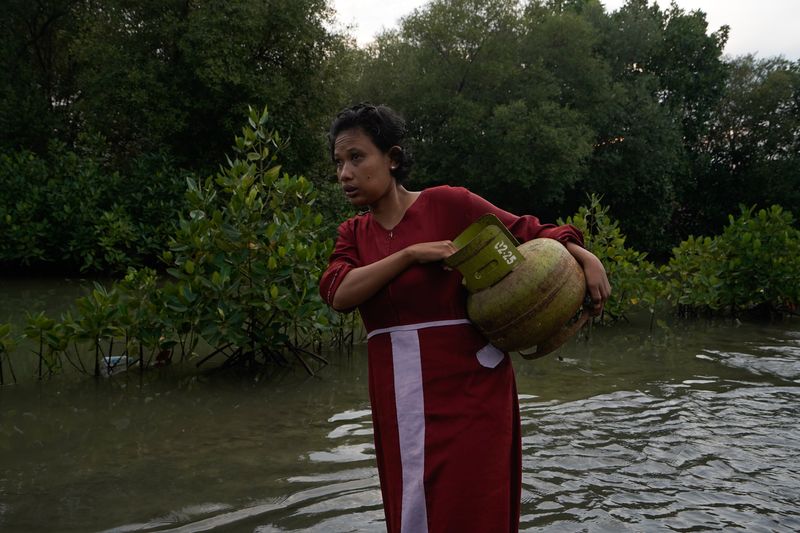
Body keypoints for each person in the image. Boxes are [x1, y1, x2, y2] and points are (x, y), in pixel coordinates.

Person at [319, 103, 611, 532]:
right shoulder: (353, 235)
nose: (345, 173)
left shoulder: (449, 205)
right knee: (412, 507)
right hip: (396, 396)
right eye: (339, 162)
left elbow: (529, 232)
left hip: (470, 387)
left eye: (357, 157)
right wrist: (411, 255)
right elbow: (338, 292)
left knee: (473, 503)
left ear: (393, 158)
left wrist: (584, 256)